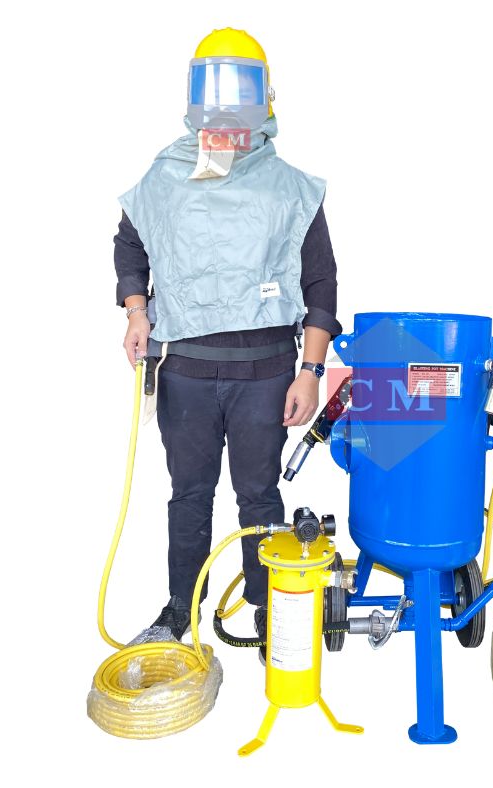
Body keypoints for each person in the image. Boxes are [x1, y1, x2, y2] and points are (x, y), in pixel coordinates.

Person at [112, 28, 340, 659]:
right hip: (185, 370)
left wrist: (310, 370)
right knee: (189, 495)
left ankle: (269, 611)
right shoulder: (166, 177)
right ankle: (179, 610)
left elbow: (321, 280)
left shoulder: (291, 188)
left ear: (264, 103)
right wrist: (136, 311)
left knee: (259, 497)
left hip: (265, 374)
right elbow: (130, 245)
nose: (227, 131)